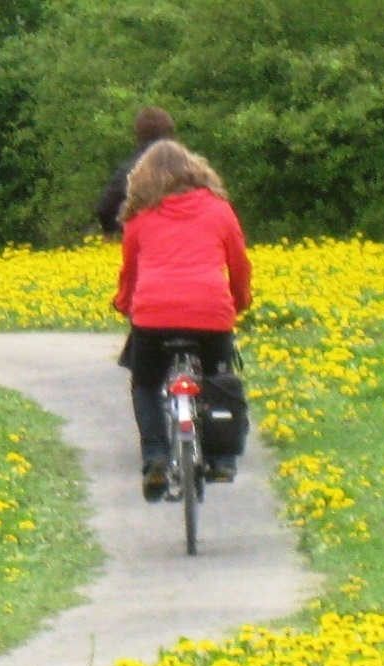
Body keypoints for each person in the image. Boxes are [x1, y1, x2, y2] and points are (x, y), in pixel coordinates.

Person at [111, 140, 253, 500]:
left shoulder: (140, 217)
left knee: (145, 384)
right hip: (210, 310)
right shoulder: (220, 210)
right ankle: (222, 458)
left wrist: (124, 303)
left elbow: (130, 272)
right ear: (196, 170)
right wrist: (240, 300)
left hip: (154, 313)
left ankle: (156, 457)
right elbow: (239, 264)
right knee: (218, 378)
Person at [96, 107, 175, 238]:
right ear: (171, 134)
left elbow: (105, 208)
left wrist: (116, 232)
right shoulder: (192, 169)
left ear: (138, 136)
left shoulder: (130, 170)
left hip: (143, 241)